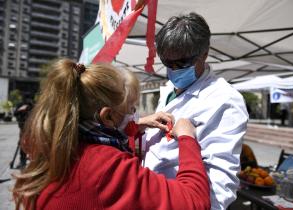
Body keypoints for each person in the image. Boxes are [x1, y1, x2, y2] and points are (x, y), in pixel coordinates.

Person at [12, 59, 210, 210]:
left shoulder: (54, 146)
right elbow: (194, 202)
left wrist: (138, 125)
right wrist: (187, 138)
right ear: (107, 116)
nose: (135, 115)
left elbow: (111, 134)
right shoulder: (107, 167)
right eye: (131, 109)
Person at [143, 12, 249, 210]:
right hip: (152, 194)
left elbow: (220, 185)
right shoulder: (168, 88)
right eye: (167, 63)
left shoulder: (224, 99)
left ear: (205, 54)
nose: (174, 70)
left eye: (181, 63)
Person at [13, 97, 33, 169]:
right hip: (23, 128)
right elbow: (15, 114)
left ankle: (32, 161)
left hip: (31, 128)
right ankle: (22, 161)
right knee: (22, 144)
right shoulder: (20, 105)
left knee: (32, 144)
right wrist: (20, 110)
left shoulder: (32, 105)